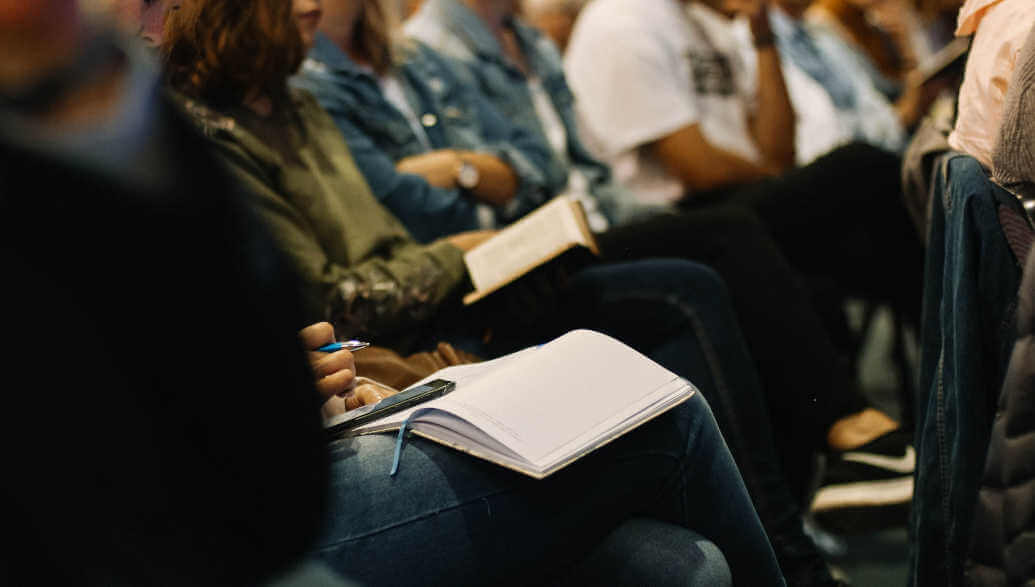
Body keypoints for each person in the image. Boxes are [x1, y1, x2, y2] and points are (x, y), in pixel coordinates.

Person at [161, 0, 789, 583]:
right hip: (343, 412)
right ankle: (799, 555)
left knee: (690, 563)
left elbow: (520, 170)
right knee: (668, 402)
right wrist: (457, 253)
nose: (312, 7)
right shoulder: (203, 137)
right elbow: (340, 295)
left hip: (391, 364)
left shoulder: (302, 107)